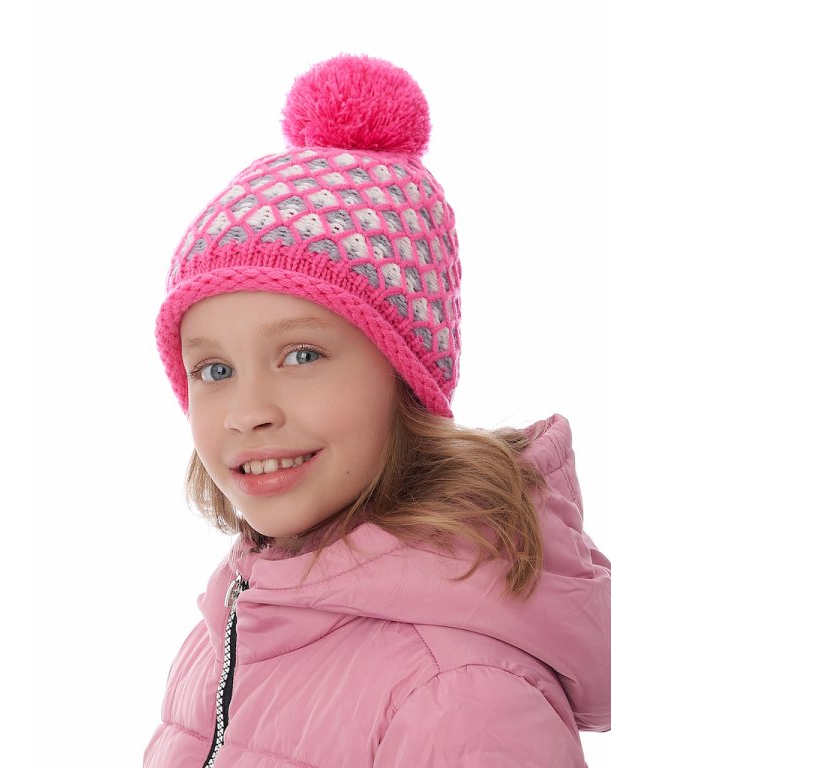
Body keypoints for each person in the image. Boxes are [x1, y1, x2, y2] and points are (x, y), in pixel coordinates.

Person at [145, 54, 610, 767]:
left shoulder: (462, 699)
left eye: (301, 355)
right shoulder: (234, 628)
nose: (246, 412)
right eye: (214, 369)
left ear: (405, 375)